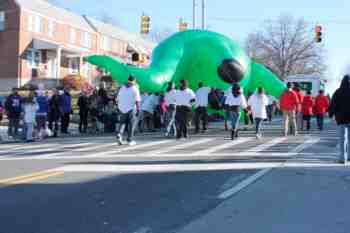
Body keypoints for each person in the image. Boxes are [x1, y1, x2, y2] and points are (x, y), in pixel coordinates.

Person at [329, 75, 350, 164]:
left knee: (342, 139)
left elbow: (333, 104)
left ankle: (342, 158)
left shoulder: (338, 92)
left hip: (341, 119)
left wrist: (331, 114)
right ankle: (349, 156)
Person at [116, 75, 141, 146]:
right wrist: (138, 110)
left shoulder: (122, 87)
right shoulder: (135, 88)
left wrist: (119, 107)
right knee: (131, 124)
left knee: (122, 123)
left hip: (121, 108)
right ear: (134, 80)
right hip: (131, 108)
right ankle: (129, 140)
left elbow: (117, 99)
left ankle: (119, 134)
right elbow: (137, 101)